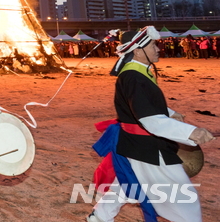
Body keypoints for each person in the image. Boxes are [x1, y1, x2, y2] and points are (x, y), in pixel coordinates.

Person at [86, 26, 215, 222]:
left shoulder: (137, 72)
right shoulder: (133, 77)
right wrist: (190, 132)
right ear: (138, 50)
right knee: (184, 200)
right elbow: (150, 120)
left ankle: (99, 217)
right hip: (147, 148)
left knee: (129, 184)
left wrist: (170, 113)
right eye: (154, 45)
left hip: (136, 144)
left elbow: (141, 105)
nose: (158, 49)